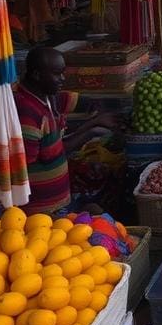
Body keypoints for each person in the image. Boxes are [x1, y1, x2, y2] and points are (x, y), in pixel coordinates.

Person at [15, 48, 118, 214]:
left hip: (59, 199)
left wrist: (98, 110)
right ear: (36, 75)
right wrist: (91, 130)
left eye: (63, 73)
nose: (62, 79)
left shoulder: (47, 97)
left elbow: (82, 102)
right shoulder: (27, 114)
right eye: (57, 74)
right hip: (41, 209)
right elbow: (52, 154)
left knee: (95, 211)